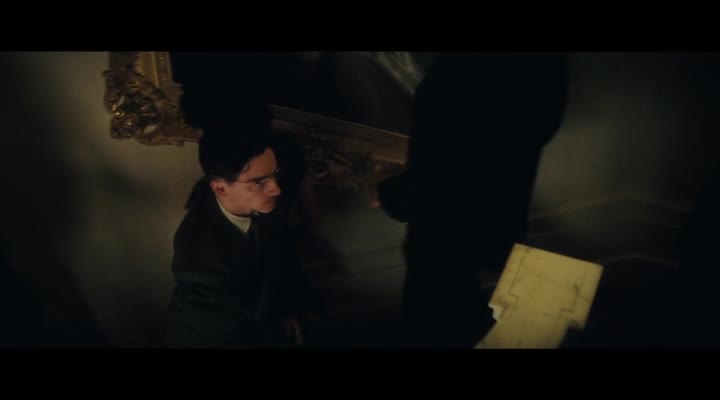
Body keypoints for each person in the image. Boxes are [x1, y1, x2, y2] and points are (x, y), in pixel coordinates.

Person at [369, 52, 569, 348]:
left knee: (440, 329)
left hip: (446, 243)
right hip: (493, 231)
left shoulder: (466, 70)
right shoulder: (541, 63)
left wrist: (390, 191)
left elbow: (446, 168)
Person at [166, 96, 314, 348]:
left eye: (275, 174)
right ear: (220, 188)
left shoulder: (268, 195)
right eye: (259, 182)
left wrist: (285, 307)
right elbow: (221, 332)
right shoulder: (199, 256)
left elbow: (279, 255)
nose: (276, 189)